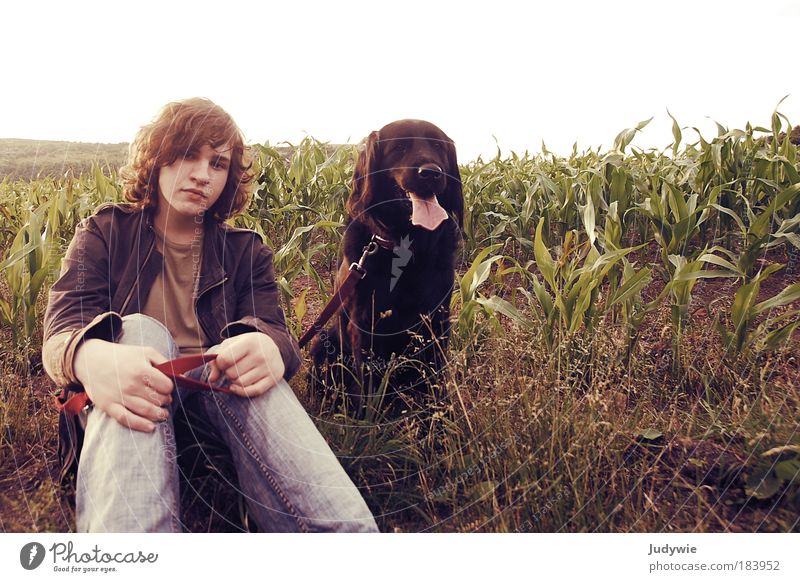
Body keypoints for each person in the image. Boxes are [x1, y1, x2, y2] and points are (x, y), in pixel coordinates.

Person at [42, 97, 378, 533]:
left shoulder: (246, 252)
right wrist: (89, 359)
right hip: (129, 401)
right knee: (142, 331)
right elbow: (61, 331)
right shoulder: (104, 233)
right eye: (188, 155)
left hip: (214, 403)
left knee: (246, 363)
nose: (202, 174)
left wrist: (269, 347)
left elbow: (272, 327)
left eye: (218, 164)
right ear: (158, 159)